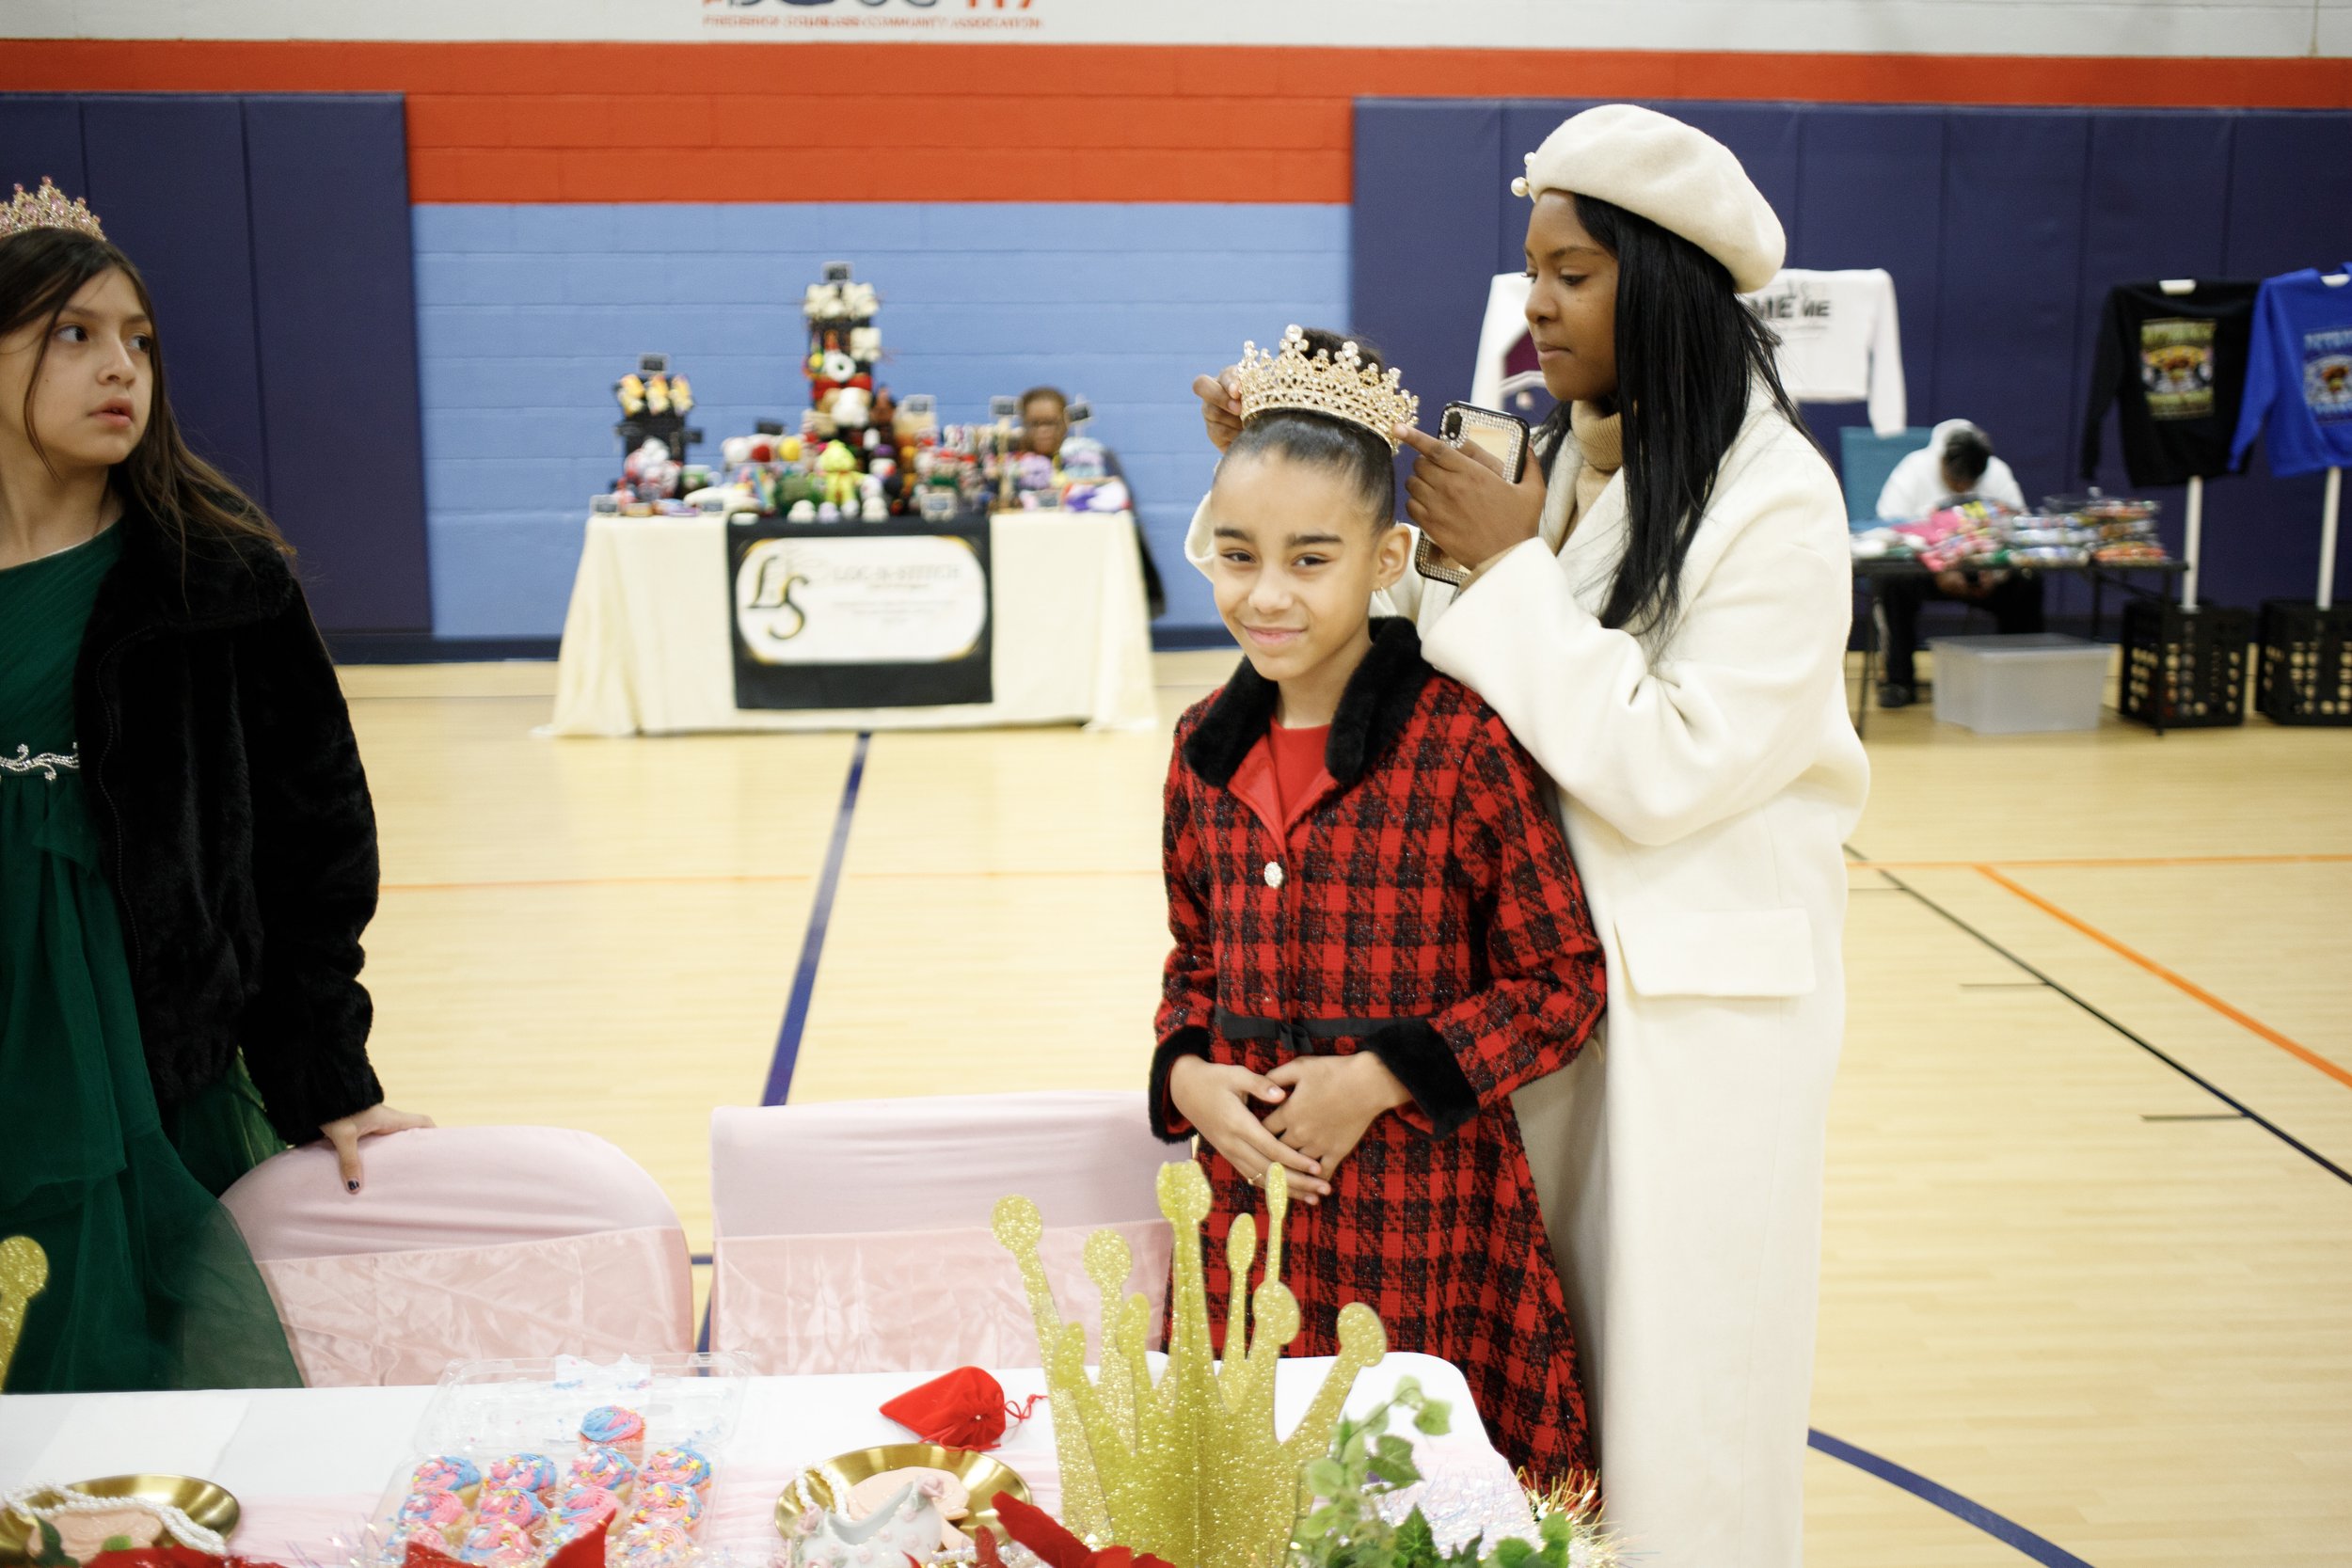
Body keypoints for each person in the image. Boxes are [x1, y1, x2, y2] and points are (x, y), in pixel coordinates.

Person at [1188, 107, 1867, 1568]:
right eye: (1531, 270)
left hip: (1703, 1029)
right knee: (1563, 1395)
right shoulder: (1575, 461)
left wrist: (1501, 563)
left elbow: (1671, 767)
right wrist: (1322, 499)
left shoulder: (1781, 505)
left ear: (1663, 280)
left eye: (1570, 274)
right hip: (1552, 995)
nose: (1536, 305)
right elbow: (1480, 671)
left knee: (1689, 1403)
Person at [1150, 326, 1606, 1478]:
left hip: (1427, 1221)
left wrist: (1380, 1074)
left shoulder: (1456, 741)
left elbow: (1563, 982)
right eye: (1238, 554)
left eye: (1310, 559)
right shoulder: (1198, 746)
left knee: (1415, 1504)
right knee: (1250, 1508)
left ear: (1384, 551)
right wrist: (1188, 1076)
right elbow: (1190, 965)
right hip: (1243, 1225)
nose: (1266, 594)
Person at [0, 182, 429, 1392]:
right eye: (72, 333)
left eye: (137, 340)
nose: (118, 367)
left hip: (133, 1042)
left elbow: (315, 840)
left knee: (118, 1363)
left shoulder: (217, 575)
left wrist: (326, 1071)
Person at [1870, 418, 2043, 707]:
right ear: (1940, 461)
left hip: (1985, 572)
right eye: (1955, 481)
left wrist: (1996, 573)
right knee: (1892, 581)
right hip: (1927, 572)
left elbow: (2018, 534)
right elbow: (1888, 529)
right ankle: (1898, 681)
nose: (1962, 487)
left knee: (2028, 580)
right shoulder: (1912, 471)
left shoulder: (1999, 474)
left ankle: (2018, 679)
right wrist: (1937, 568)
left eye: (1970, 483)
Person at [1020, 384, 1166, 616]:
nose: (1043, 430)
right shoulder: (1014, 466)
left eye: (1051, 422)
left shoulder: (1095, 458)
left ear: (1066, 422)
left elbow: (1125, 514)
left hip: (1087, 567)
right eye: (1035, 424)